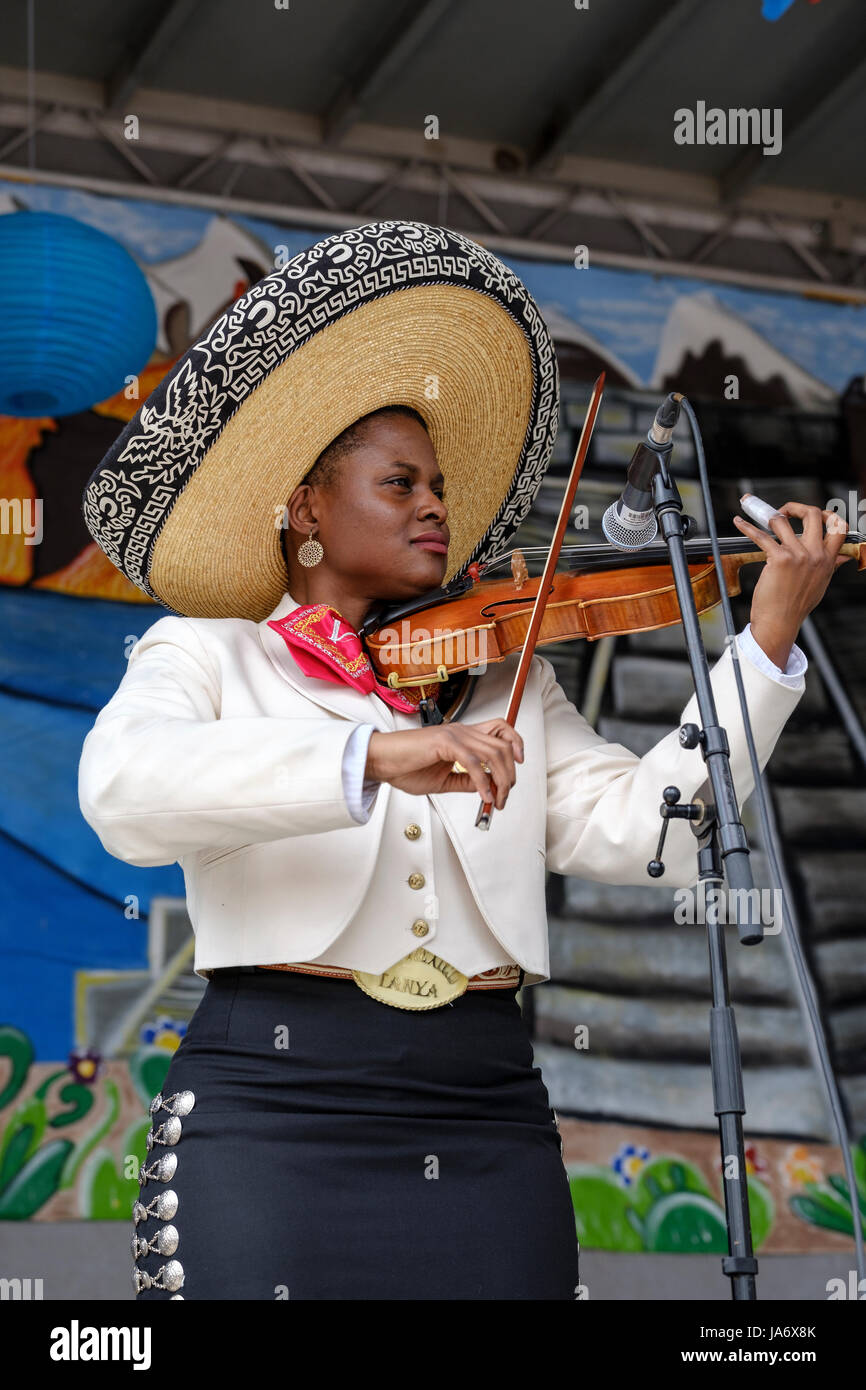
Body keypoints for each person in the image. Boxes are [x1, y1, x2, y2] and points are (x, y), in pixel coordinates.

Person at [77, 220, 848, 1301]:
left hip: (480, 1107)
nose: (437, 504)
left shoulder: (505, 676)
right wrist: (375, 753)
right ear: (305, 507)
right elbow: (122, 792)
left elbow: (645, 834)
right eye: (400, 484)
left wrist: (760, 645)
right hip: (277, 1105)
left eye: (437, 483)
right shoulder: (210, 649)